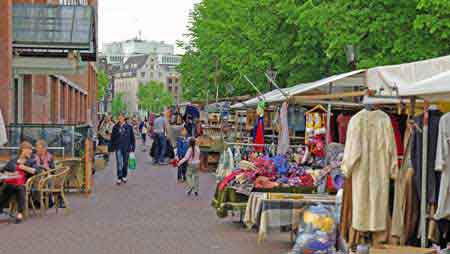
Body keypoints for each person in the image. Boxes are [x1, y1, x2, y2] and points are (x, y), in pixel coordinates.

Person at [0, 141, 37, 223]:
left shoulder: (31, 161)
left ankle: (20, 213)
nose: (31, 152)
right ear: (23, 150)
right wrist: (11, 173)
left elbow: (35, 171)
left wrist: (22, 166)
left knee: (19, 188)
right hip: (11, 182)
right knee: (8, 187)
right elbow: (3, 170)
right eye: (29, 149)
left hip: (24, 184)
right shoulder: (14, 160)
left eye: (31, 150)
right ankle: (1, 208)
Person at [110, 113, 136, 185]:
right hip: (118, 147)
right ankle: (119, 177)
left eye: (121, 117)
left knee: (125, 162)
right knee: (119, 163)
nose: (120, 119)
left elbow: (132, 138)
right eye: (119, 117)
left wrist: (133, 148)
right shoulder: (115, 127)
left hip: (126, 147)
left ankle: (124, 176)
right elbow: (112, 138)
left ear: (124, 118)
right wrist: (112, 147)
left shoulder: (129, 127)